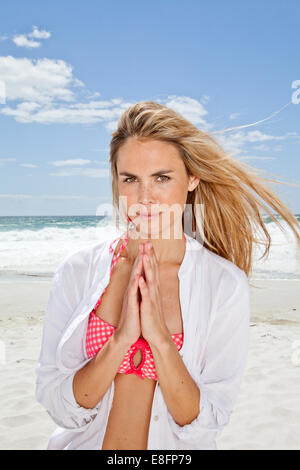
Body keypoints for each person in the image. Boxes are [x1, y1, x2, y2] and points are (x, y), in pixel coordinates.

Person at [35, 101, 300, 450]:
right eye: (130, 179)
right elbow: (57, 403)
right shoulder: (77, 271)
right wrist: (120, 341)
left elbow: (208, 421)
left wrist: (160, 340)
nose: (144, 198)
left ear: (192, 178)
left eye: (162, 178)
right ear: (116, 181)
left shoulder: (223, 285)